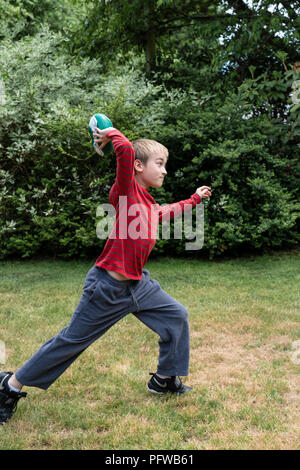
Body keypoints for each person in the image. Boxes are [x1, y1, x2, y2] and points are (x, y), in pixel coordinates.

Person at [0, 127, 211, 424]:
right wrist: (109, 132)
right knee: (71, 341)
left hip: (139, 285)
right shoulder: (125, 191)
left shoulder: (148, 203)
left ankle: (163, 380)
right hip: (107, 288)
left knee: (176, 315)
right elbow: (124, 150)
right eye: (159, 164)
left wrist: (193, 200)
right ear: (138, 166)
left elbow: (166, 212)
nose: (165, 171)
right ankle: (9, 386)